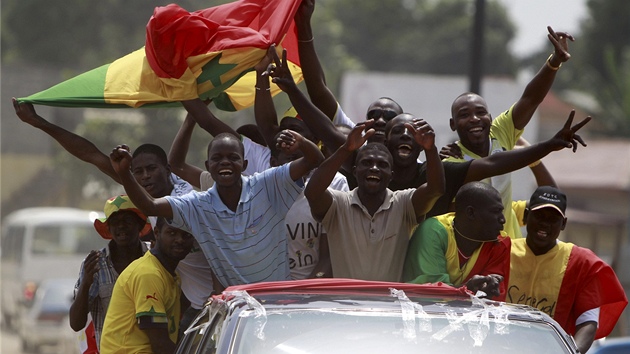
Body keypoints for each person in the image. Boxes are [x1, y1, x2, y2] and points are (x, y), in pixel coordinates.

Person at [12, 98, 215, 339]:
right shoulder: (105, 261)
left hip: (214, 303)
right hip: (194, 304)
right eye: (137, 172)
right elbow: (91, 155)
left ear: (168, 170)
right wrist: (38, 122)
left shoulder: (186, 200)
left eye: (152, 169)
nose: (145, 177)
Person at [110, 126, 324, 286]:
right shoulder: (197, 205)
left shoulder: (267, 184)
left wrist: (302, 142)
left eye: (233, 157)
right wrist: (124, 173)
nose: (225, 162)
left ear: (245, 165)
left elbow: (315, 159)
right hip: (237, 311)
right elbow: (150, 206)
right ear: (207, 166)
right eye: (217, 158)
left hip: (279, 300)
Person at [442, 26, 575, 239]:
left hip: (510, 253)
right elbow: (493, 165)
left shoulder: (500, 131)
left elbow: (531, 99)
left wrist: (554, 62)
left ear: (490, 117)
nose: (475, 118)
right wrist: (546, 146)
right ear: (453, 124)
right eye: (464, 114)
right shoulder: (451, 162)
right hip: (471, 256)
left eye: (481, 112)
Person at [304, 119, 445, 281]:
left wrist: (430, 149)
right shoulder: (338, 204)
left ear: (391, 176)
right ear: (355, 172)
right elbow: (313, 192)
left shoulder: (403, 203)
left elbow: (435, 190)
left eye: (382, 164)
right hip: (346, 304)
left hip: (390, 305)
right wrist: (346, 149)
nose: (374, 168)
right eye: (367, 163)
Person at [386, 110, 591, 218]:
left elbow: (492, 164)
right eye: (397, 131)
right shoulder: (365, 173)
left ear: (424, 143)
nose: (406, 136)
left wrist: (547, 146)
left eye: (413, 132)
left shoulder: (441, 173)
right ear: (384, 141)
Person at [506, 186, 628, 353]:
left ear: (563, 224)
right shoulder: (503, 252)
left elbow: (588, 322)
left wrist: (573, 352)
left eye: (553, 219)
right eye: (539, 216)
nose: (544, 223)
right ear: (526, 216)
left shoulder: (581, 263)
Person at [100, 217, 194, 354]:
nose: (180, 240)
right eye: (172, 233)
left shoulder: (170, 274)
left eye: (186, 235)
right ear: (156, 233)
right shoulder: (149, 274)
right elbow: (160, 345)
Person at [69, 195, 152, 350]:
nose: (121, 226)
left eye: (127, 221)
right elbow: (76, 323)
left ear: (140, 225)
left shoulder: (154, 257)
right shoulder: (94, 264)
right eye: (115, 222)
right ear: (108, 228)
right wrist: (86, 283)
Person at [402, 182, 510, 300]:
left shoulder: (499, 243)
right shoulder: (434, 231)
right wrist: (466, 290)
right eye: (495, 211)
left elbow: (493, 301)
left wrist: (482, 290)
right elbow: (430, 296)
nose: (502, 219)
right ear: (470, 213)